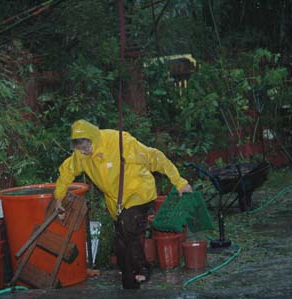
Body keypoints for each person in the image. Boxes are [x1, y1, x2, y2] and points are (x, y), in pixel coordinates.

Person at [53, 119, 192, 289]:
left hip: (138, 193)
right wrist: (58, 199)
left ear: (93, 139)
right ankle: (130, 283)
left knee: (129, 226)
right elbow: (66, 173)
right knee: (121, 247)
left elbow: (155, 157)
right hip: (116, 204)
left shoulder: (121, 142)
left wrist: (180, 182)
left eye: (86, 147)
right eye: (79, 149)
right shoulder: (80, 156)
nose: (84, 152)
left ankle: (143, 268)